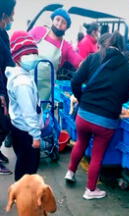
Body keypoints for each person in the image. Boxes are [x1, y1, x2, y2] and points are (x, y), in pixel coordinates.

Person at [66, 33, 129, 200]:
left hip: (83, 115)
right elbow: (126, 96)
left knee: (81, 142)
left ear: (102, 44)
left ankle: (70, 172)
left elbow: (75, 82)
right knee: (97, 153)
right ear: (121, 47)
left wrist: (83, 99)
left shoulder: (92, 58)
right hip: (106, 120)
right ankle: (90, 190)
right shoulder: (127, 67)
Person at [6, 31, 41, 181]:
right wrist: (36, 136)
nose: (33, 56)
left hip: (18, 128)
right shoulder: (23, 83)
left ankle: (21, 192)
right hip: (27, 131)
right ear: (18, 58)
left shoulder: (21, 75)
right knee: (28, 168)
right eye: (29, 53)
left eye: (34, 52)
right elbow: (29, 113)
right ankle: (24, 196)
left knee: (22, 163)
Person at [28, 8, 83, 101]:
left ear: (67, 27)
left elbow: (80, 63)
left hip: (45, 91)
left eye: (63, 22)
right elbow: (22, 44)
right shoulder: (38, 31)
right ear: (52, 20)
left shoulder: (66, 47)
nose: (59, 24)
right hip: (28, 81)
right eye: (57, 19)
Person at [0, 0, 15, 175]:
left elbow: (8, 59)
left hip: (5, 83)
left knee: (5, 123)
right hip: (0, 88)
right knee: (3, 124)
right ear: (4, 15)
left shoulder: (3, 34)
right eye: (11, 13)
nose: (13, 17)